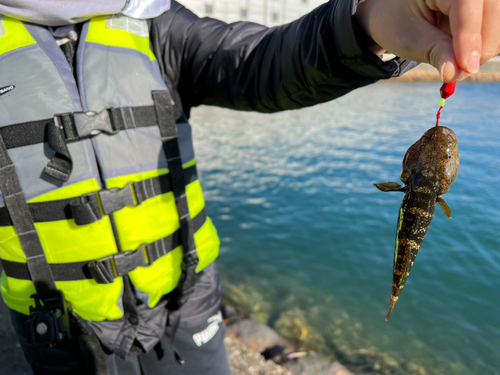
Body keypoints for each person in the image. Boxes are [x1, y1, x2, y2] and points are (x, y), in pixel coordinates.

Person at [0, 0, 497, 374]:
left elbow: (263, 62)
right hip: (58, 335)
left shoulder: (153, 22)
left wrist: (367, 20)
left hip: (189, 311)